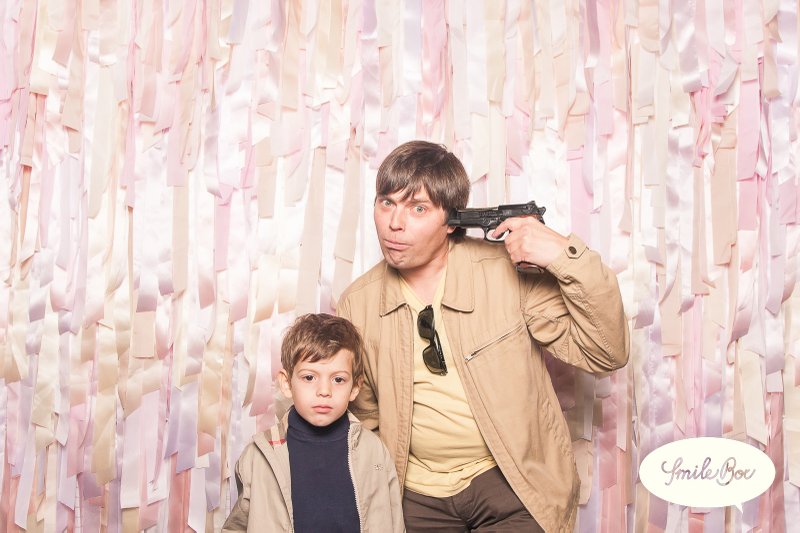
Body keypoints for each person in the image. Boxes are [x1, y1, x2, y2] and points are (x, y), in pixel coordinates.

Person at [337, 141, 629, 532]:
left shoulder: (507, 274)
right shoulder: (357, 303)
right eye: (386, 203)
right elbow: (364, 416)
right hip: (415, 495)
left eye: (418, 208)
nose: (395, 223)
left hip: (513, 484)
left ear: (452, 220)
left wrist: (565, 255)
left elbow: (606, 352)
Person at [223, 313, 405, 532]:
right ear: (287, 383)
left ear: (355, 387)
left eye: (338, 379)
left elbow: (394, 523)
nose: (324, 391)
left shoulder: (373, 451)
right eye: (309, 377)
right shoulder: (259, 454)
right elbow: (237, 526)